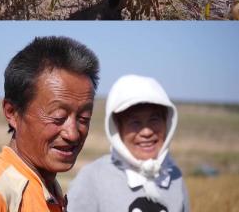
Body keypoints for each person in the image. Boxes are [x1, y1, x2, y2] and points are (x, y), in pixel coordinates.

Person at [0, 36, 99, 212]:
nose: (73, 134)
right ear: (13, 113)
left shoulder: (48, 190)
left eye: (84, 118)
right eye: (58, 117)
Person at [67, 75, 190, 212]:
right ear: (117, 129)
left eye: (154, 119)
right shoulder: (94, 178)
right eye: (135, 122)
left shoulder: (173, 176)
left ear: (167, 123)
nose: (147, 132)